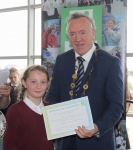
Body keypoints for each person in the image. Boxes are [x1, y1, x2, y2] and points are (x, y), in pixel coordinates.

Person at [46, 12, 124, 150]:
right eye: (72, 34)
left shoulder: (111, 63)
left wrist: (97, 127)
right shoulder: (62, 60)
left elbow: (116, 106)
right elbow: (53, 95)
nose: (77, 39)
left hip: (97, 143)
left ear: (93, 34)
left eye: (82, 32)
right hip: (65, 143)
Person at [3, 65, 54, 150]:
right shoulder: (15, 111)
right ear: (24, 83)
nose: (38, 86)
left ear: (48, 83)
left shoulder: (50, 109)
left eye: (43, 82)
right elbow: (9, 144)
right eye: (33, 82)